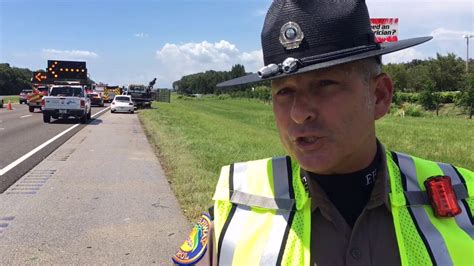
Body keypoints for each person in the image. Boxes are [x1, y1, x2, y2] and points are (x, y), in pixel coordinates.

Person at [172, 0, 474, 265]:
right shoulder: (232, 212)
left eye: (325, 84)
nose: (298, 113)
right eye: (284, 92)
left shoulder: (465, 200)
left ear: (379, 96)